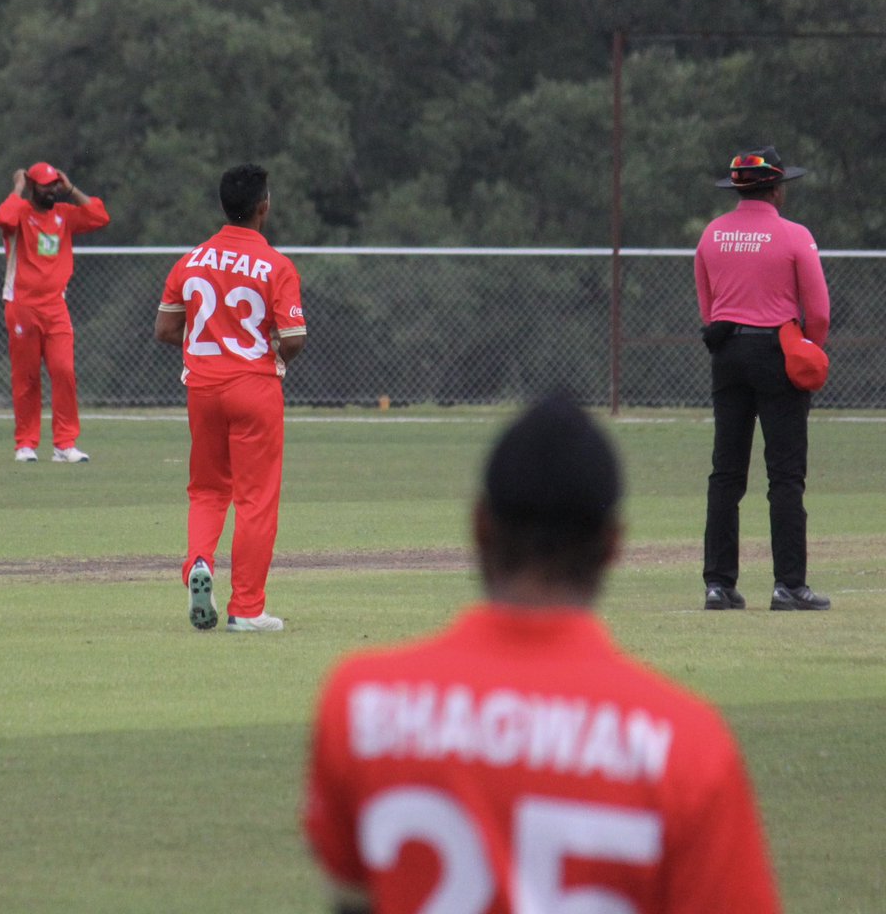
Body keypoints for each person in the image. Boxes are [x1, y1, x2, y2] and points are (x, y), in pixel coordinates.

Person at [304, 392, 783, 914]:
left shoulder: (362, 704)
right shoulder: (687, 745)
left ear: (480, 526)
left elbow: (355, 897)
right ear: (613, 545)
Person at [154, 163, 306, 633]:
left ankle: (199, 564)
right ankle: (246, 608)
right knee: (255, 499)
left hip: (202, 389)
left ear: (224, 206)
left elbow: (164, 330)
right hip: (254, 388)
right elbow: (295, 336)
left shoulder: (191, 260)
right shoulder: (276, 265)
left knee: (207, 491)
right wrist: (275, 355)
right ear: (264, 206)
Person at [695, 146, 831, 613]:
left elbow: (708, 307)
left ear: (738, 188)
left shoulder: (711, 235)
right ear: (775, 188)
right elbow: (819, 312)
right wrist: (806, 347)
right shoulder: (795, 236)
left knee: (726, 473)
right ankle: (789, 585)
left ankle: (718, 584)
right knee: (786, 475)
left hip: (727, 351)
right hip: (777, 350)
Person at [0, 162, 110, 463]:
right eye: (45, 185)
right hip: (22, 306)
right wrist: (17, 187)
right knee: (27, 377)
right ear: (33, 186)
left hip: (56, 306)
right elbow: (2, 217)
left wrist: (71, 189)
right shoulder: (20, 213)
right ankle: (26, 443)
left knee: (64, 371)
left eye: (54, 185)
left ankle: (64, 444)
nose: (51, 190)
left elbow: (100, 215)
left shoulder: (65, 216)